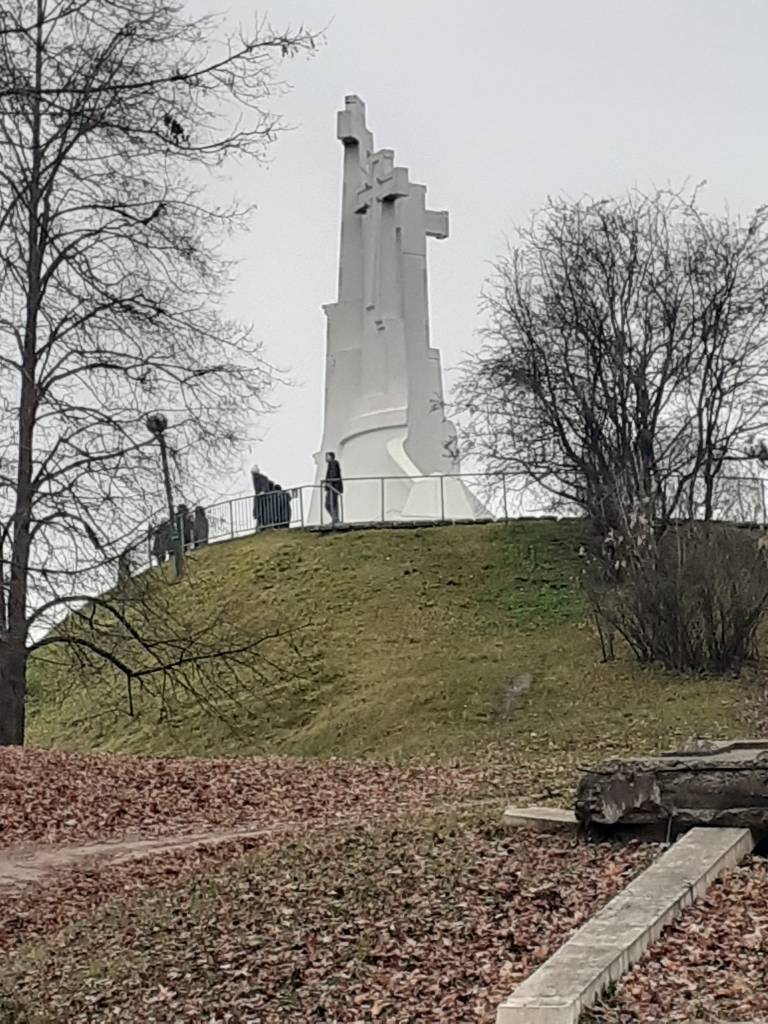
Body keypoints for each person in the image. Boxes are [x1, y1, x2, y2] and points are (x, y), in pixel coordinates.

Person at [324, 451, 343, 525]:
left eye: (327, 456)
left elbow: (333, 474)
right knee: (332, 504)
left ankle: (335, 519)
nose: (326, 458)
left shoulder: (333, 463)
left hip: (333, 487)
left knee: (329, 504)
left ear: (330, 457)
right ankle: (335, 519)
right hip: (333, 487)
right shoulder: (332, 463)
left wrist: (329, 483)